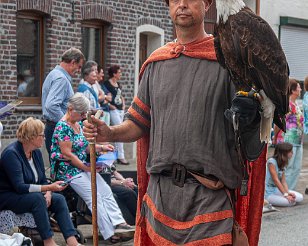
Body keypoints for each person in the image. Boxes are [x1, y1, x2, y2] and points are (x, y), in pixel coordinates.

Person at [83, 0, 267, 245]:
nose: (182, 5)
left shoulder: (229, 61)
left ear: (207, 4)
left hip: (209, 199)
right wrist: (109, 132)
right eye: (175, 0)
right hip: (161, 198)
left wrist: (253, 119)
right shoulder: (157, 63)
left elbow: (252, 143)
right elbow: (138, 123)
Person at [50, 93, 134, 243]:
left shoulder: (77, 124)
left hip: (82, 167)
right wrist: (86, 168)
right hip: (67, 171)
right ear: (70, 109)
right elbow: (68, 154)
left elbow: (84, 148)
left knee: (105, 190)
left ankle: (119, 224)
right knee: (94, 197)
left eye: (85, 113)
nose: (83, 116)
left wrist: (101, 147)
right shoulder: (62, 126)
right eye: (81, 113)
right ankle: (109, 233)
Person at [0, 117, 81, 246]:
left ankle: (72, 241)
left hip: (28, 194)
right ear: (31, 137)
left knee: (59, 199)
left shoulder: (36, 153)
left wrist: (48, 191)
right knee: (38, 199)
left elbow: (42, 180)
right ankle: (48, 241)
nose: (44, 138)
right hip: (9, 196)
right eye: (42, 135)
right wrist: (48, 188)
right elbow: (20, 187)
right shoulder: (11, 154)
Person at [42, 47, 85, 156]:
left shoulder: (55, 74)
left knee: (59, 167)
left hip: (53, 127)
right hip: (57, 129)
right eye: (79, 67)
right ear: (72, 62)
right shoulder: (61, 78)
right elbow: (51, 105)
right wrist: (67, 123)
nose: (79, 71)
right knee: (63, 168)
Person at [104, 65, 129, 165]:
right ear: (114, 74)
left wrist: (123, 104)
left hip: (120, 110)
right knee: (120, 130)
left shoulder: (118, 84)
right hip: (113, 110)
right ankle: (120, 156)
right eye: (119, 72)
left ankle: (117, 156)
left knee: (119, 131)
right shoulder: (106, 84)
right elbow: (106, 97)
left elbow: (120, 95)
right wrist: (110, 106)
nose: (120, 74)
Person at [265, 142, 303, 207]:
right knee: (290, 202)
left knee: (300, 197)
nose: (292, 153)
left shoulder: (283, 163)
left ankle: (281, 198)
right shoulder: (271, 162)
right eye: (290, 152)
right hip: (267, 192)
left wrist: (287, 192)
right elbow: (276, 180)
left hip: (275, 190)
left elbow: (283, 181)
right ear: (284, 153)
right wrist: (285, 195)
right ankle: (266, 200)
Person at [284, 79, 304, 190]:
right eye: (298, 87)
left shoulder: (296, 104)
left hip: (299, 140)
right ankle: (285, 192)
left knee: (296, 168)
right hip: (289, 140)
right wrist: (276, 137)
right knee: (289, 167)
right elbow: (281, 123)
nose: (300, 89)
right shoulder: (288, 104)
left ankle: (291, 191)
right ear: (293, 90)